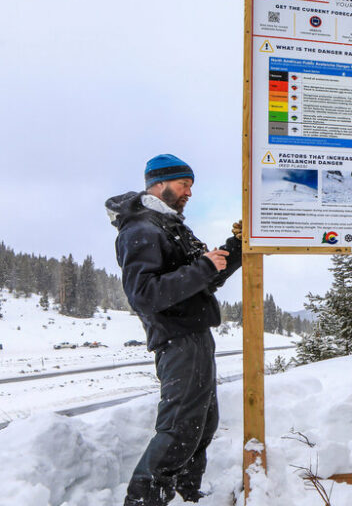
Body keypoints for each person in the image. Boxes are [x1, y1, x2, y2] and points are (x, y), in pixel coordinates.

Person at [105, 154, 242, 506]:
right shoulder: (140, 229)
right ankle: (144, 499)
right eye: (184, 185)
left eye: (191, 187)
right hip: (177, 338)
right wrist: (202, 268)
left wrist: (235, 249)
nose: (189, 193)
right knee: (180, 427)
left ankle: (187, 493)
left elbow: (203, 277)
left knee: (202, 424)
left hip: (195, 336)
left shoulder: (169, 225)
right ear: (160, 183)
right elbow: (144, 295)